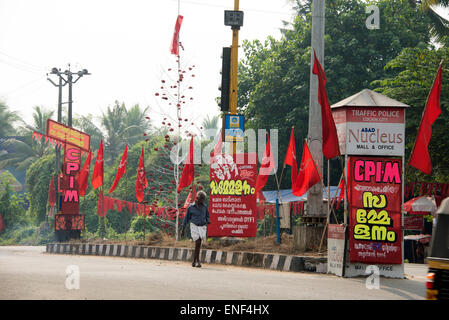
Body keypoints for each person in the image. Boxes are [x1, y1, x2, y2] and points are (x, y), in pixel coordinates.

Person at [181, 190, 210, 268]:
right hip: (194, 226)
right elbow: (186, 219)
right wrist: (183, 230)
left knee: (199, 243)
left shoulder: (204, 207)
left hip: (202, 227)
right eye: (201, 198)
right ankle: (197, 261)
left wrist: (208, 221)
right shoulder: (191, 207)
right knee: (198, 242)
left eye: (204, 199)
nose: (203, 200)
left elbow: (207, 215)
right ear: (197, 198)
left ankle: (194, 261)